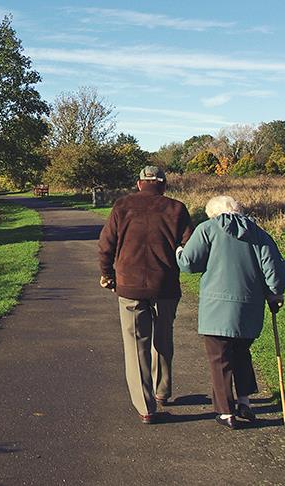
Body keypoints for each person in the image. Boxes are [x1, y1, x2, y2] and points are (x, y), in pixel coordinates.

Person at [176, 195, 285, 429]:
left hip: (216, 309)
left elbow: (188, 263)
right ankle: (244, 402)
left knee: (220, 358)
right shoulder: (259, 233)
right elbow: (273, 271)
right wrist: (275, 294)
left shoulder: (207, 229)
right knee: (241, 353)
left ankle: (226, 412)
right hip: (250, 307)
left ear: (213, 213)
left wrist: (178, 251)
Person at [98, 166, 193, 424]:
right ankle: (162, 390)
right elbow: (189, 246)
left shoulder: (122, 206)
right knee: (163, 338)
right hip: (165, 285)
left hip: (129, 286)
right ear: (162, 185)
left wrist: (107, 274)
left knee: (136, 345)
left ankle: (146, 406)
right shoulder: (177, 208)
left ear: (139, 184)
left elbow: (106, 244)